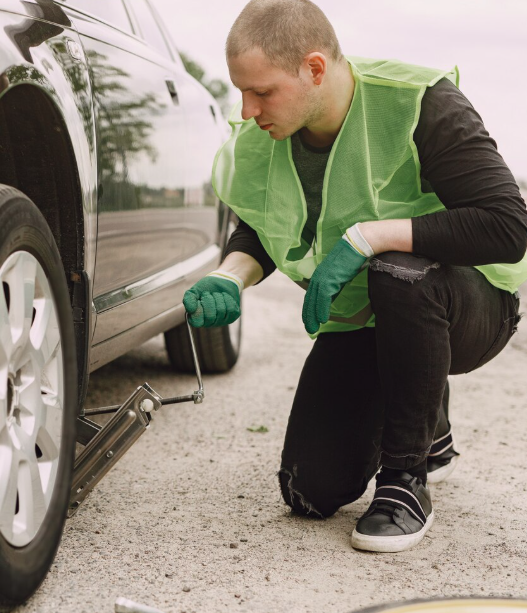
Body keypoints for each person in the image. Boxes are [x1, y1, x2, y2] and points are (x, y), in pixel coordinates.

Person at [183, 0, 527, 552]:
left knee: (398, 270)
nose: (247, 110)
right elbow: (261, 226)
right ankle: (424, 413)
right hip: (372, 318)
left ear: (314, 68)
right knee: (309, 492)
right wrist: (229, 276)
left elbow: (508, 226)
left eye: (262, 91)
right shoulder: (266, 135)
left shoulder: (421, 102)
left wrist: (371, 235)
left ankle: (406, 479)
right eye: (241, 91)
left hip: (467, 305)